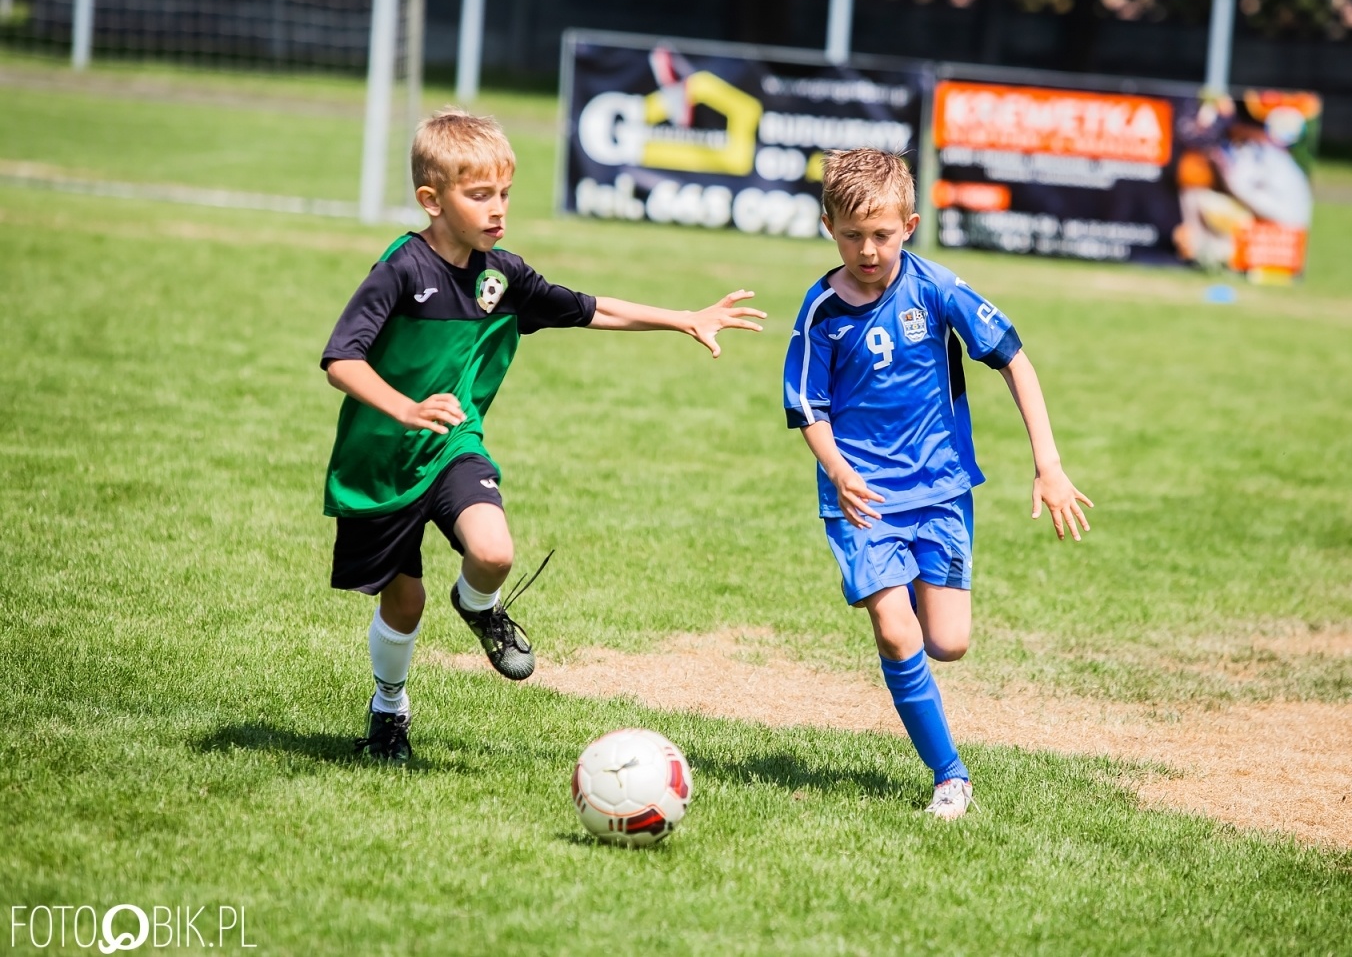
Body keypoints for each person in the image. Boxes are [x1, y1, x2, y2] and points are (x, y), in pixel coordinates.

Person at [322, 109, 764, 762]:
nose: (498, 209)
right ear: (431, 200)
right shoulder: (401, 271)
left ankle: (480, 606)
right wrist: (406, 408)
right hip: (379, 461)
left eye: (504, 194)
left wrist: (683, 318)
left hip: (450, 443)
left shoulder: (501, 276)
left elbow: (589, 308)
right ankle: (389, 712)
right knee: (405, 601)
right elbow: (342, 360)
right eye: (479, 196)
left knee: (494, 551)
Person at [782, 149, 1092, 819]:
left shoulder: (936, 288)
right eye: (853, 235)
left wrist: (1049, 463)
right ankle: (950, 775)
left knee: (947, 642)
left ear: (911, 225)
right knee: (899, 634)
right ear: (829, 227)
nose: (868, 250)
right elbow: (808, 408)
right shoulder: (821, 311)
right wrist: (837, 471)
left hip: (942, 489)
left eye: (883, 235)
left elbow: (1014, 359)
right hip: (862, 497)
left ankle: (902, 607)